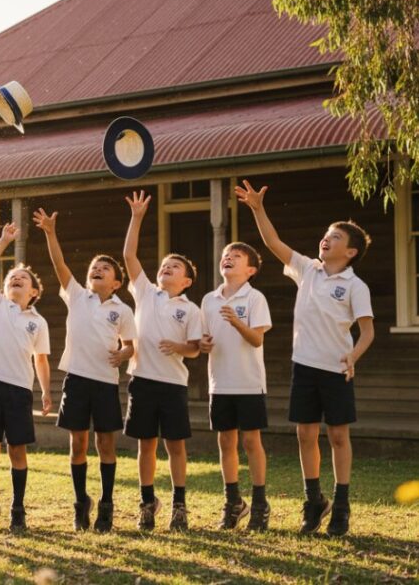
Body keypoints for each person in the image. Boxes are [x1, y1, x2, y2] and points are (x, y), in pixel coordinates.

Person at [236, 180, 374, 536]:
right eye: (326, 235)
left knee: (339, 437)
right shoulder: (307, 269)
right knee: (305, 435)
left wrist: (353, 356)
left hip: (336, 370)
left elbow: (367, 331)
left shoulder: (356, 286)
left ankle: (341, 505)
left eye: (336, 238)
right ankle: (314, 500)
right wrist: (257, 208)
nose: (326, 239)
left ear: (351, 252)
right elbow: (272, 242)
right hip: (305, 368)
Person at [33, 207, 134, 532]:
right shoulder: (76, 295)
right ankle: (81, 503)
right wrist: (50, 232)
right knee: (77, 443)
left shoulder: (123, 310)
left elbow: (131, 345)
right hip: (76, 380)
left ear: (116, 282)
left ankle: (106, 503)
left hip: (105, 383)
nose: (97, 270)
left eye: (104, 269)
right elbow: (60, 265)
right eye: (94, 268)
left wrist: (123, 353)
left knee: (105, 443)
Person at [122, 190, 202, 531]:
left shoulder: (190, 309)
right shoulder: (145, 293)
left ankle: (179, 505)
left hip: (172, 385)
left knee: (175, 446)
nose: (166, 268)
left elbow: (196, 349)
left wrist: (178, 346)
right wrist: (137, 217)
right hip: (142, 380)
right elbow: (129, 255)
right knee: (146, 445)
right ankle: (147, 501)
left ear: (185, 281)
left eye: (175, 267)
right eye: (164, 266)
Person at [0, 222, 52, 532]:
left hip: (19, 392)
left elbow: (41, 359)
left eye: (23, 279)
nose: (16, 279)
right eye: (11, 278)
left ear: (33, 292)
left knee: (17, 449)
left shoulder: (38, 322)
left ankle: (18, 508)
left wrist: (45, 392)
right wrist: (3, 241)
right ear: (3, 290)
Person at [199, 242, 272, 531]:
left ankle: (260, 504)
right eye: (225, 255)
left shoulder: (255, 298)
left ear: (250, 270)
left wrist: (237, 322)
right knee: (225, 442)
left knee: (250, 442)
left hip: (249, 382)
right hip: (219, 383)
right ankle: (233, 502)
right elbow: (204, 340)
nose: (228, 258)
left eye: (237, 256)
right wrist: (202, 344)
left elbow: (257, 339)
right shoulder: (209, 299)